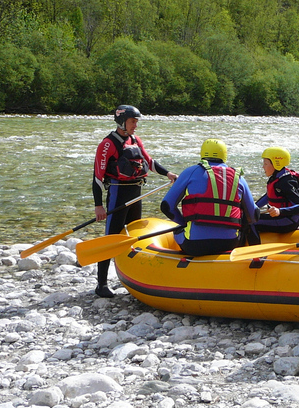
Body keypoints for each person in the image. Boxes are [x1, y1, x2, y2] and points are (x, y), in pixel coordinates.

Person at [92, 105, 178, 298]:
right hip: (118, 194)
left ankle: (131, 277)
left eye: (136, 122)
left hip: (136, 194)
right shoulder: (107, 144)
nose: (135, 125)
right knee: (111, 239)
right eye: (132, 122)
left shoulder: (135, 140)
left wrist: (168, 174)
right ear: (122, 122)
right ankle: (101, 284)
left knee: (133, 235)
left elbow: (149, 162)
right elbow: (97, 178)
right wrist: (98, 205)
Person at [161, 139, 259, 256]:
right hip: (230, 243)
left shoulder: (191, 172)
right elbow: (253, 216)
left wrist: (184, 222)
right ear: (224, 155)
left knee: (177, 231)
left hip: (195, 244)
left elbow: (166, 206)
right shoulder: (239, 177)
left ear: (202, 154)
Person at [255, 147, 299, 233]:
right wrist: (251, 208)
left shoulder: (286, 182)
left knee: (249, 222)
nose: (263, 167)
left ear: (276, 164)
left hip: (288, 221)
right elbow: (268, 197)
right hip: (281, 218)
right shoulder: (276, 178)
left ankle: (253, 245)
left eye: (266, 164)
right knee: (247, 217)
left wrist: (279, 211)